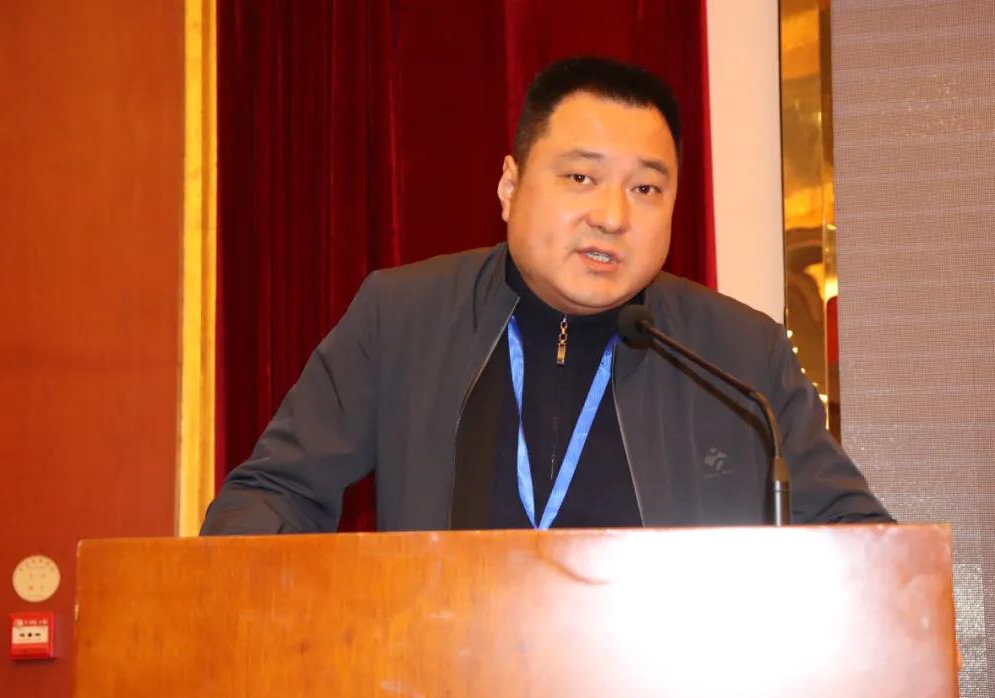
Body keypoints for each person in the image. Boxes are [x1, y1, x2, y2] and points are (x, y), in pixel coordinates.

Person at [200, 57, 891, 535]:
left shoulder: (737, 352)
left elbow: (855, 536)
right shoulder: (403, 317)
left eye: (646, 188)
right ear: (510, 186)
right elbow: (271, 496)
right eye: (581, 178)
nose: (613, 216)